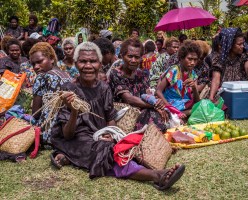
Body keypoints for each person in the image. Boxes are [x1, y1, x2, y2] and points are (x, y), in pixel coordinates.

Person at [50, 42, 185, 190]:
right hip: (76, 139)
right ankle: (156, 176)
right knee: (106, 151)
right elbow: (67, 134)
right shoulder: (68, 90)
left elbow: (110, 119)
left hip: (99, 136)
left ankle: (71, 158)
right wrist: (74, 110)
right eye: (83, 61)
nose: (88, 65)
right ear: (76, 64)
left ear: (100, 64)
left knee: (121, 145)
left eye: (93, 61)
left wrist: (111, 133)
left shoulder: (104, 88)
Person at [108, 38, 169, 132]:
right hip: (125, 114)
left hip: (142, 109)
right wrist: (153, 106)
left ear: (141, 58)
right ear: (122, 56)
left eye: (137, 57)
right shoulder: (116, 73)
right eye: (130, 56)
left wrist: (156, 103)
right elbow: (129, 99)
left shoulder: (143, 73)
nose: (133, 60)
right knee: (152, 114)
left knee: (159, 113)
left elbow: (146, 95)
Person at [30, 42, 72, 145]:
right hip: (68, 131)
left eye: (40, 61)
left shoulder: (42, 77)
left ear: (52, 59)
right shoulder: (66, 75)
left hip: (49, 134)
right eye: (33, 64)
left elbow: (35, 113)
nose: (36, 67)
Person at [209, 28, 248, 101]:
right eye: (239, 44)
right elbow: (216, 78)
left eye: (243, 43)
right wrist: (211, 97)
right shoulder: (219, 58)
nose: (242, 46)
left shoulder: (246, 54)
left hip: (240, 92)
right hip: (224, 93)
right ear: (230, 44)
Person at [156, 40, 201, 117]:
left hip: (184, 105)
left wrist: (194, 87)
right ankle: (179, 114)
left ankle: (184, 114)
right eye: (189, 59)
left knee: (201, 106)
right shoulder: (174, 71)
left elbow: (197, 101)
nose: (193, 62)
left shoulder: (193, 74)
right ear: (182, 58)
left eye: (195, 59)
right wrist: (171, 109)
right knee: (198, 110)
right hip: (170, 104)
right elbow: (158, 91)